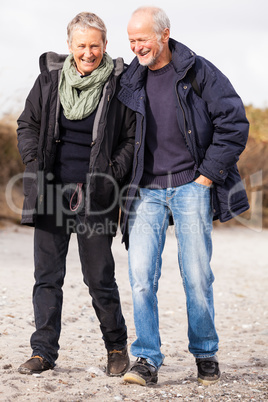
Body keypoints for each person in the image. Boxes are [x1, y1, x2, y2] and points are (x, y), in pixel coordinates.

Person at [117, 6, 249, 386]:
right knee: (141, 277)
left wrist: (209, 174)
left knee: (197, 276)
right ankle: (146, 359)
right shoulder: (130, 78)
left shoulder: (198, 70)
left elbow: (234, 121)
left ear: (164, 34)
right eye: (131, 40)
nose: (136, 47)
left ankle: (206, 353)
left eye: (142, 39)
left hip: (193, 185)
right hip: (145, 190)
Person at [17, 12, 135, 376]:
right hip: (51, 193)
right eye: (81, 45)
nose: (88, 52)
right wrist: (35, 162)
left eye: (95, 45)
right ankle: (43, 353)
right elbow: (28, 124)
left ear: (104, 45)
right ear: (70, 46)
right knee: (47, 276)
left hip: (96, 195)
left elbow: (132, 138)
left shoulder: (119, 85)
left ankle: (116, 347)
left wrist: (109, 174)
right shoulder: (50, 80)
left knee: (99, 276)